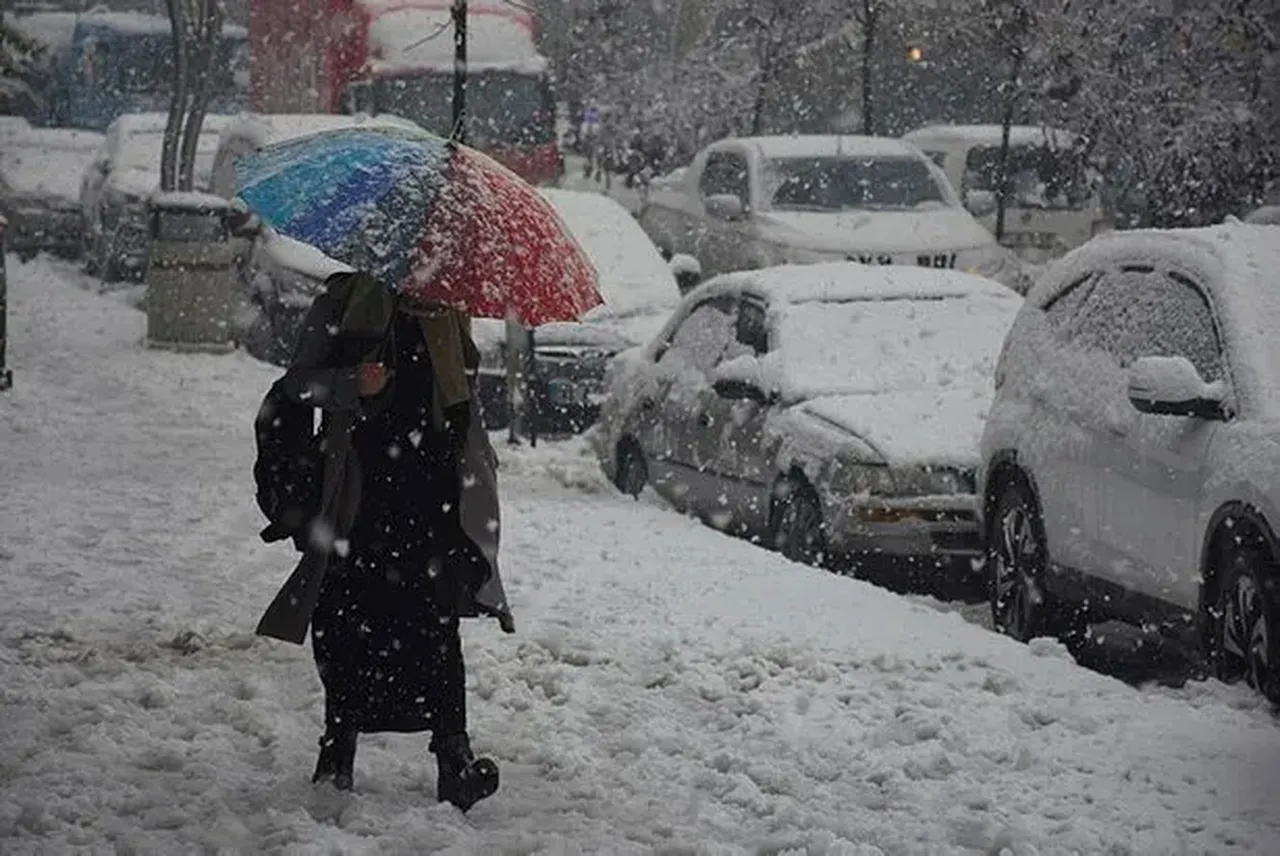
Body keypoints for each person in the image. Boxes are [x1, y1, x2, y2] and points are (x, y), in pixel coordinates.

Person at [253, 271, 515, 812]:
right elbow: (297, 386)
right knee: (348, 623)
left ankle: (453, 758)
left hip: (432, 499)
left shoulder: (447, 310)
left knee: (435, 625)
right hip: (359, 496)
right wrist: (351, 384)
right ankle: (337, 751)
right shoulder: (346, 300)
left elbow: (461, 402)